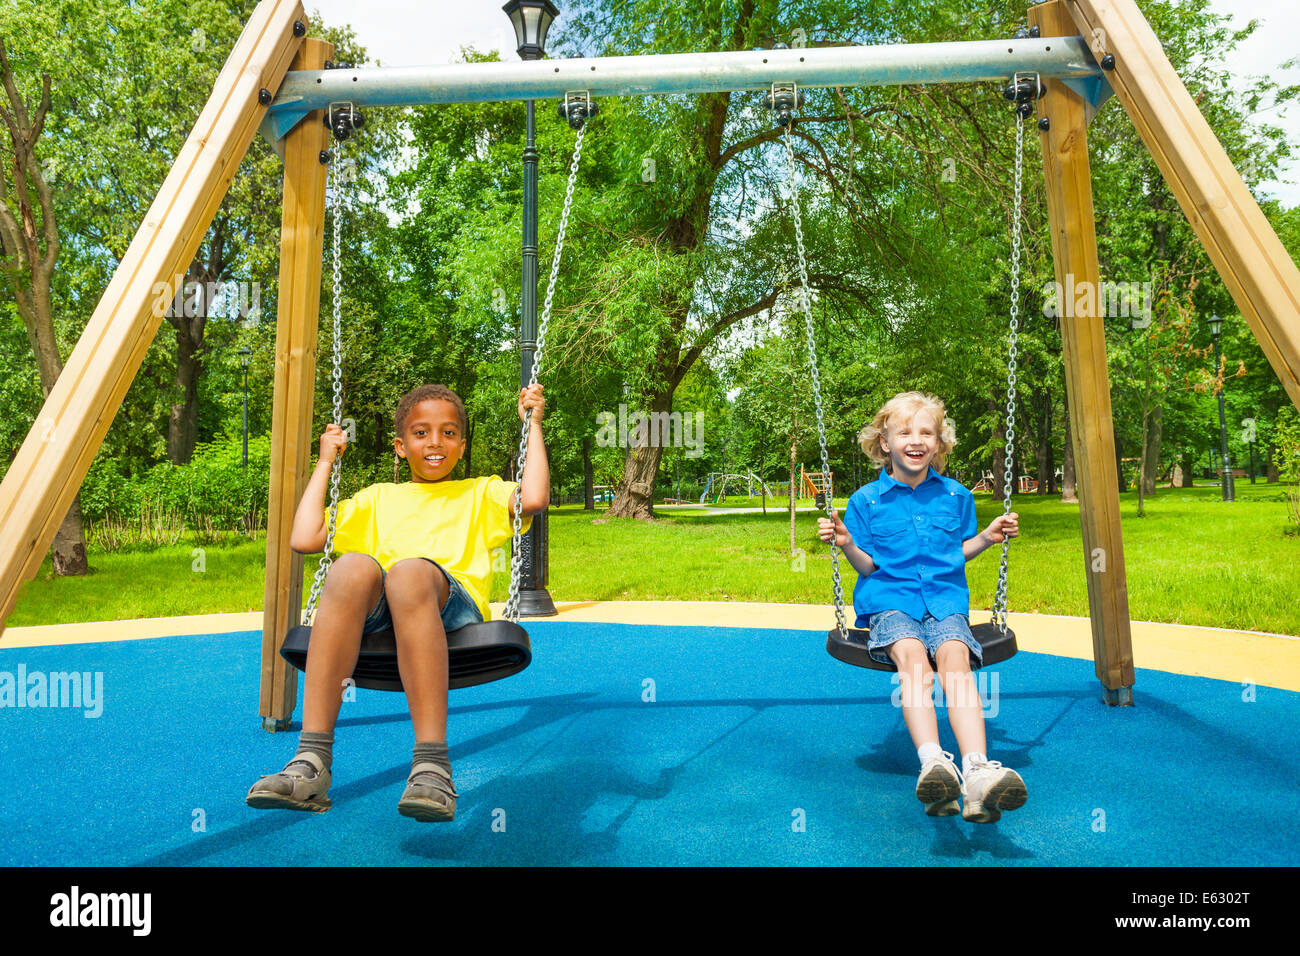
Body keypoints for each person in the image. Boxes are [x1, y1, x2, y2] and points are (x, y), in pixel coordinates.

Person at [247, 383, 549, 822]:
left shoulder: (480, 492)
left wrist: (533, 426)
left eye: (448, 433)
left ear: (461, 447)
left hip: (451, 606)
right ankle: (310, 764)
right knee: (350, 567)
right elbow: (304, 538)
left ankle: (432, 766)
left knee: (409, 573)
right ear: (400, 444)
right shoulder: (377, 499)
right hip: (385, 609)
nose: (434, 443)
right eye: (421, 432)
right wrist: (326, 460)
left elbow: (534, 498)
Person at [818, 391, 1027, 823]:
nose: (916, 440)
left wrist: (987, 538)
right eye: (905, 432)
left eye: (926, 432)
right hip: (891, 603)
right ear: (884, 442)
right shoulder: (865, 501)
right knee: (915, 662)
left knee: (956, 662)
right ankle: (934, 761)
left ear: (940, 442)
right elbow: (868, 565)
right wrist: (846, 544)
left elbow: (956, 552)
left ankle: (976, 771)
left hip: (946, 603)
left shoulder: (956, 496)